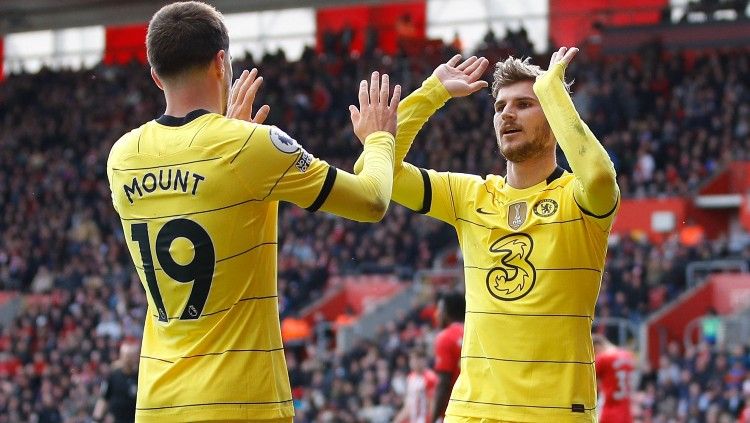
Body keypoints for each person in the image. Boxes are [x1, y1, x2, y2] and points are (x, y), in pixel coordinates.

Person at [106, 2, 401, 422]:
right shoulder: (251, 147)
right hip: (242, 401)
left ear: (155, 76)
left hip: (158, 403)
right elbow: (372, 200)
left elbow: (195, 184)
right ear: (221, 62)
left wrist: (227, 132)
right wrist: (378, 140)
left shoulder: (122, 157)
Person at [355, 47, 619, 422]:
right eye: (499, 107)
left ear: (554, 116)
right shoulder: (470, 195)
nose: (507, 113)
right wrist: (433, 92)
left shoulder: (579, 198)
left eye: (525, 103)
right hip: (470, 410)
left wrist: (553, 92)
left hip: (555, 411)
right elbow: (374, 168)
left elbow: (599, 176)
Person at [432, 291, 465, 422]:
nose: (436, 314)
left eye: (439, 309)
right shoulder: (474, 331)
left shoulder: (445, 337)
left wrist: (433, 418)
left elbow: (443, 383)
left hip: (454, 411)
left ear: (446, 312)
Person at [92, 341, 140, 423]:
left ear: (137, 357)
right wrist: (96, 419)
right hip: (115, 419)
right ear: (121, 356)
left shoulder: (140, 377)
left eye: (131, 356)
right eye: (126, 355)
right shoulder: (112, 375)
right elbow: (104, 398)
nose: (128, 359)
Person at [593, 334, 636, 423]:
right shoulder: (628, 355)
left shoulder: (604, 358)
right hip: (627, 414)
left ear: (597, 347)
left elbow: (591, 382)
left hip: (610, 413)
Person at [395, 349, 438, 423]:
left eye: (417, 359)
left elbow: (433, 405)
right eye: (412, 359)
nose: (413, 362)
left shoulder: (430, 378)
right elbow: (408, 406)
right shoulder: (410, 378)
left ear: (423, 361)